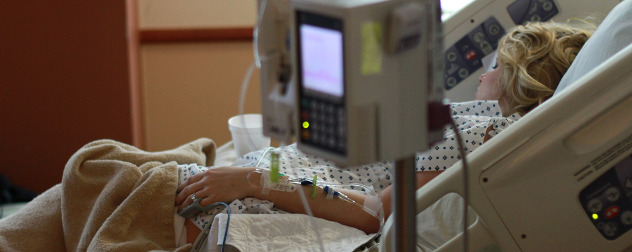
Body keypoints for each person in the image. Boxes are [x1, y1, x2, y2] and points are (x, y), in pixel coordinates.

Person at [175, 20, 596, 245]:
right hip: (276, 173)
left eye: (495, 67)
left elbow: (374, 212)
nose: (484, 74)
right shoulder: (477, 118)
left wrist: (253, 180)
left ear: (520, 81)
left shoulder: (490, 134)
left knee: (122, 176)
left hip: (262, 197)